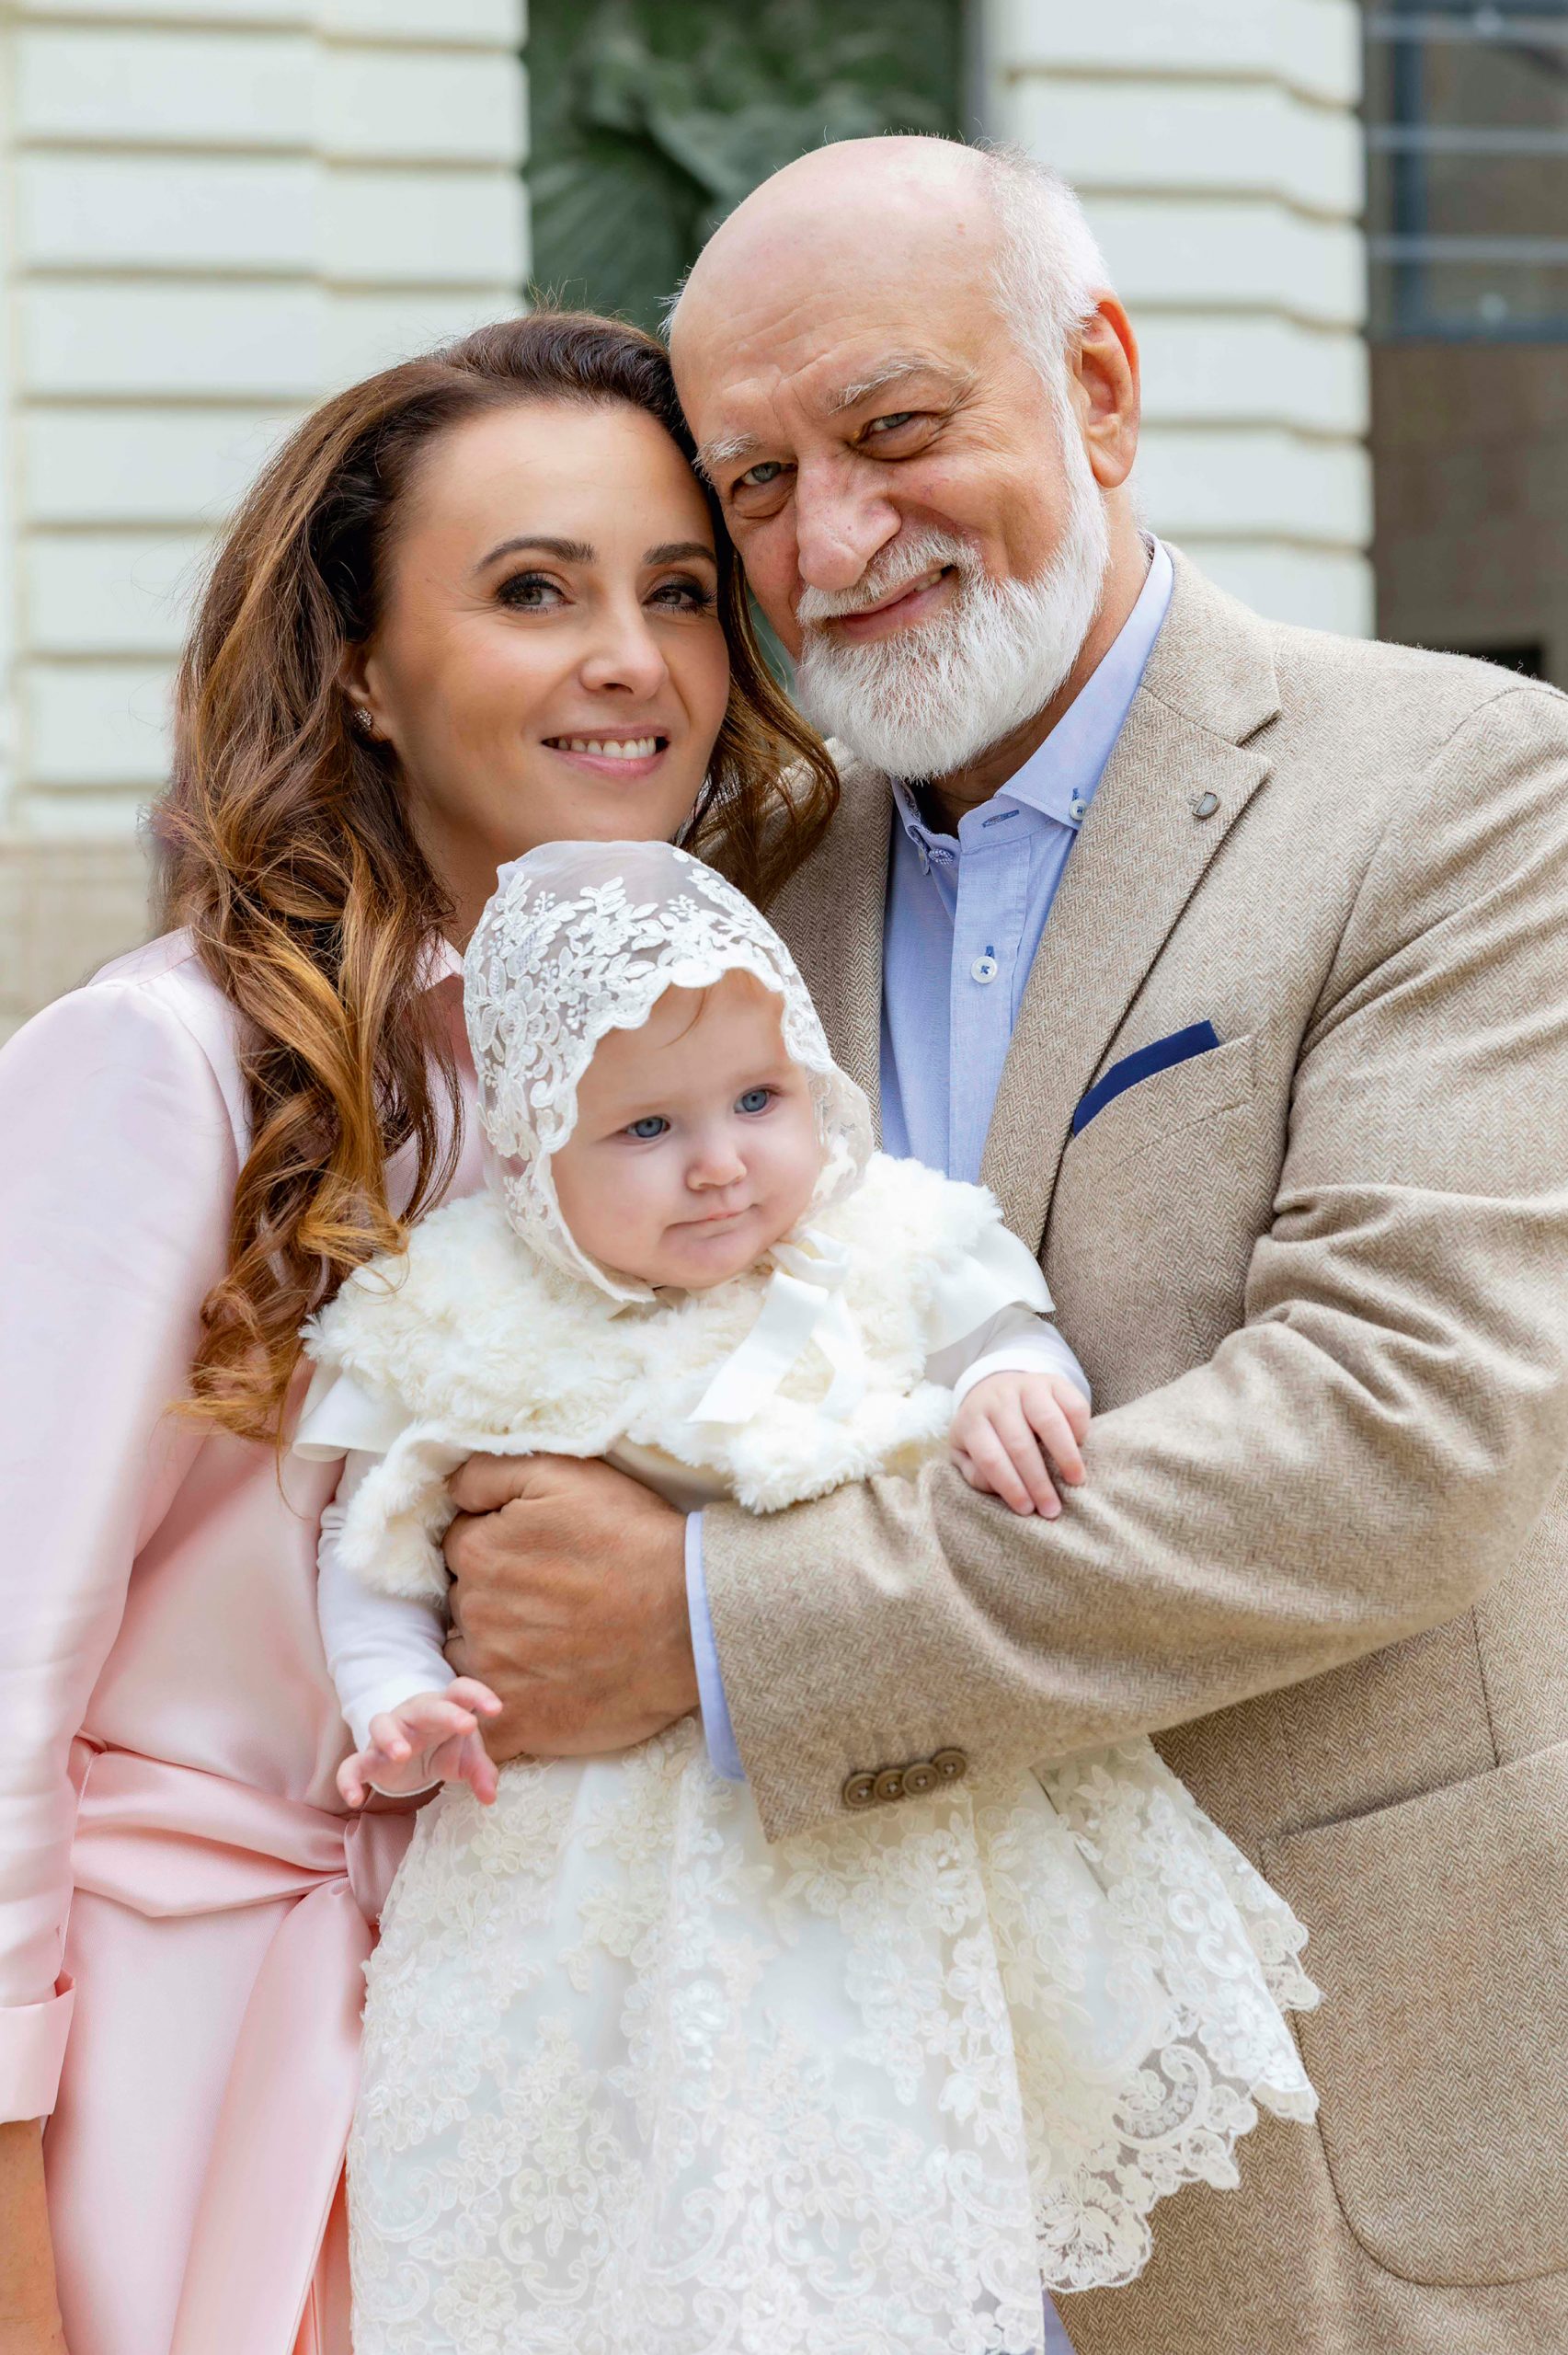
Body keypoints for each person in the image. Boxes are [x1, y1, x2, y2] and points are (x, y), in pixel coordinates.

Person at [440, 143, 1568, 2355]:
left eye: (894, 429)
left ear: (1100, 390)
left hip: (1338, 2156)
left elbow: (1401, 1433)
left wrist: (710, 1619)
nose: (830, 542)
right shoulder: (740, 892)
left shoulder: (1463, 785)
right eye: (758, 485)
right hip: (844, 2170)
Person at [0, 315, 833, 2355]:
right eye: (534, 590)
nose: (630, 659)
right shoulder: (166, 1061)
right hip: (203, 2085)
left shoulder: (724, 1088)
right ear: (361, 669)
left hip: (559, 2050)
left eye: (679, 594)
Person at [298, 836, 1316, 2354]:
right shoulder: (462, 1302)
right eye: (647, 1127)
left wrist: (1009, 1383)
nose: (720, 1162)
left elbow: (1001, 1329)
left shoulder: (875, 1230)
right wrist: (396, 1695)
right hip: (590, 1861)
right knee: (620, 2188)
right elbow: (370, 1545)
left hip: (871, 1806)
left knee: (889, 2145)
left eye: (758, 1102)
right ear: (532, 1150)